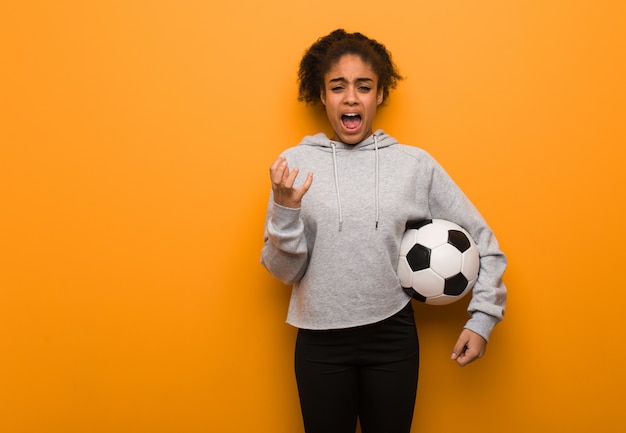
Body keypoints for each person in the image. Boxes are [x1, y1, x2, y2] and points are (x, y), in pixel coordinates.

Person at [261, 29, 507, 433]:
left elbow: (484, 243)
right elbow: (283, 272)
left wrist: (481, 319)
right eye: (338, 87)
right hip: (319, 341)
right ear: (322, 96)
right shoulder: (294, 163)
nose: (351, 98)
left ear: (379, 95)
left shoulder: (414, 165)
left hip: (392, 337)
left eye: (364, 86)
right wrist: (285, 210)